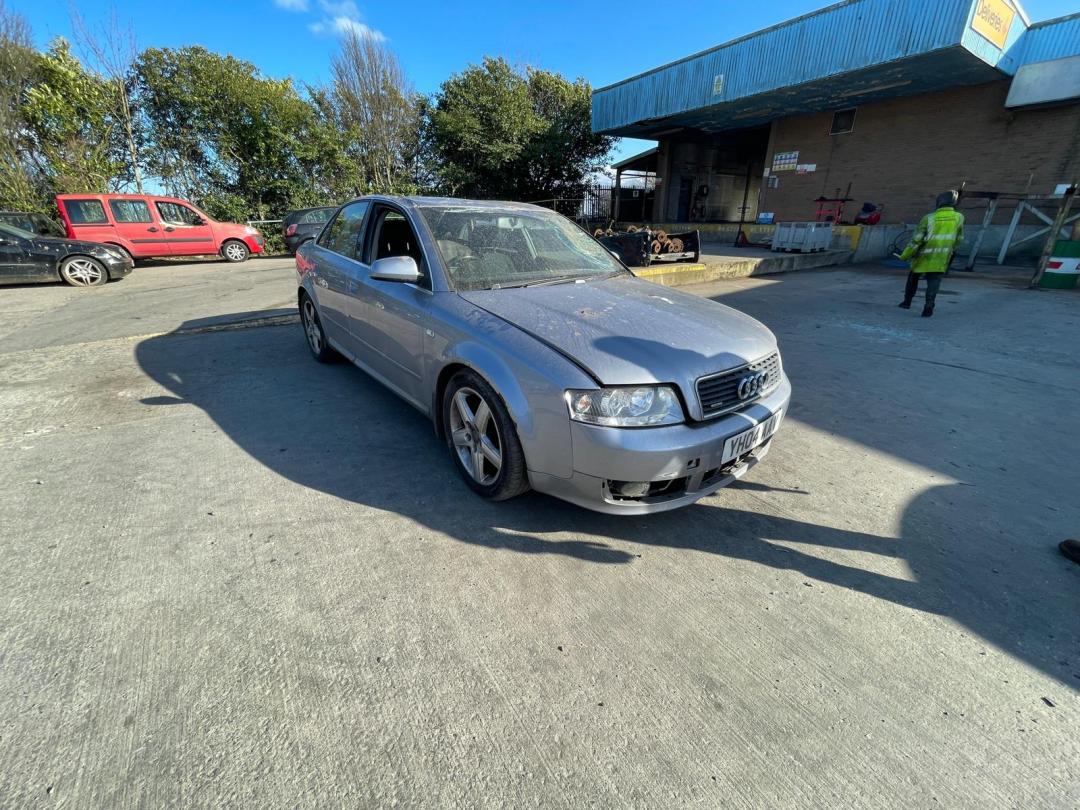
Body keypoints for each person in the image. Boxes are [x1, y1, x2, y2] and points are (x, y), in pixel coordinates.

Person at [897, 190, 965, 317]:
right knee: (934, 280)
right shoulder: (959, 218)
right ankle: (929, 306)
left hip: (924, 255)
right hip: (942, 256)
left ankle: (907, 301)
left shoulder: (929, 218)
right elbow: (959, 238)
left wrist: (905, 255)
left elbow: (916, 240)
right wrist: (951, 250)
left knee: (913, 277)